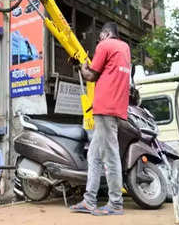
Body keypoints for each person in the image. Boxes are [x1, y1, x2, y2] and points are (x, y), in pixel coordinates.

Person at [70, 22, 130, 216]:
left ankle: (115, 204)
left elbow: (90, 76)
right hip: (117, 107)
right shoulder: (125, 48)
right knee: (94, 155)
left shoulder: (104, 45)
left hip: (105, 108)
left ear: (105, 34)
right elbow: (106, 72)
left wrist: (81, 65)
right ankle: (89, 200)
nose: (98, 41)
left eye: (99, 37)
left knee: (110, 155)